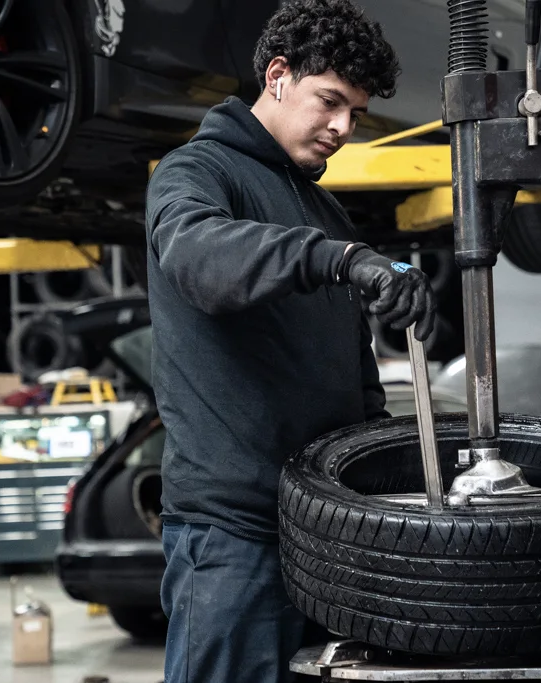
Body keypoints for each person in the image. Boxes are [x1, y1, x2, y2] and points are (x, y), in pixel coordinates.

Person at [143, 1, 438, 681]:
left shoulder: (321, 205)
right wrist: (339, 257)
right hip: (234, 539)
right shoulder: (196, 174)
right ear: (277, 76)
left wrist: (395, 475)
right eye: (330, 101)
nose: (342, 127)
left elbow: (352, 374)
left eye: (356, 113)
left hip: (324, 537)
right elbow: (199, 258)